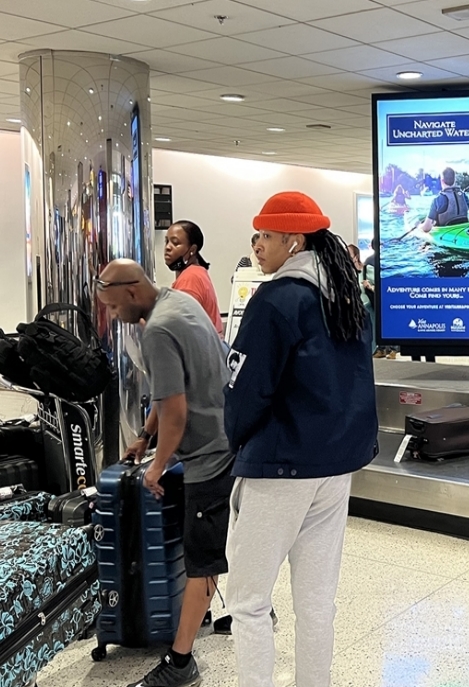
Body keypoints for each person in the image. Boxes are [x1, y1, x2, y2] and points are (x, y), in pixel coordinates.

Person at [223, 191, 378, 687]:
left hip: (279, 467)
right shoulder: (347, 296)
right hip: (334, 469)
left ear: (293, 241)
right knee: (316, 601)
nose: (257, 245)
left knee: (248, 601)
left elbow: (246, 388)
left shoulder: (275, 300)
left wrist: (235, 439)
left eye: (265, 235)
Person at [96, 259, 235, 687]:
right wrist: (144, 436)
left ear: (133, 293)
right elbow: (172, 390)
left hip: (209, 456)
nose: (114, 317)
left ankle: (181, 663)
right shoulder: (181, 302)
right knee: (205, 549)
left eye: (114, 309)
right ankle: (214, 610)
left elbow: (175, 410)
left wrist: (156, 467)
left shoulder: (156, 329)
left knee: (200, 559)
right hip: (228, 439)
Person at [164, 220, 224, 338]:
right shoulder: (197, 272)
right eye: (167, 241)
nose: (167, 247)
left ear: (192, 249)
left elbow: (182, 328)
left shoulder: (190, 278)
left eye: (175, 243)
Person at [364, 238, 397, 360]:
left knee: (381, 323)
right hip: (388, 295)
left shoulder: (368, 261)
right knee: (389, 322)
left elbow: (366, 282)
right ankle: (392, 349)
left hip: (376, 297)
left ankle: (383, 348)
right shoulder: (387, 259)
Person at [419, 167, 469, 233]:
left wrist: (419, 226)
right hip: (463, 228)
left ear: (442, 181)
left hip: (447, 232)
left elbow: (426, 228)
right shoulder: (463, 195)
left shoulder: (437, 200)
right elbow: (467, 207)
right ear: (454, 180)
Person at [349, 244, 376, 354]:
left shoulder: (367, 269)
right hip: (354, 311)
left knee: (371, 340)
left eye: (348, 254)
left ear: (355, 256)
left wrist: (370, 287)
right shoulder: (347, 272)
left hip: (368, 310)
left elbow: (381, 287)